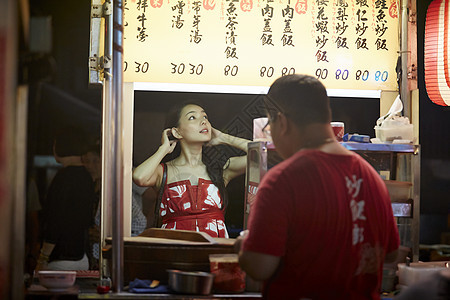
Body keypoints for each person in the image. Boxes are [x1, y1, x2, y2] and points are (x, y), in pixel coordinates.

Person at [236, 74, 400, 299]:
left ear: (281, 122)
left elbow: (259, 266)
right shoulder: (372, 178)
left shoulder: (282, 181)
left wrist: (244, 245)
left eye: (269, 124)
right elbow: (390, 254)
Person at [133, 102, 250, 238]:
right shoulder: (163, 171)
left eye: (205, 117)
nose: (203, 121)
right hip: (175, 253)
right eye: (192, 118)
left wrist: (223, 137)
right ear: (177, 132)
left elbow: (260, 153)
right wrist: (163, 149)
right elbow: (139, 177)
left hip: (215, 251)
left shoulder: (221, 169)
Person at [35, 126, 96, 271]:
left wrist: (43, 256)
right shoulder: (86, 176)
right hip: (82, 256)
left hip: (61, 258)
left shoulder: (63, 178)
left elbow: (55, 219)